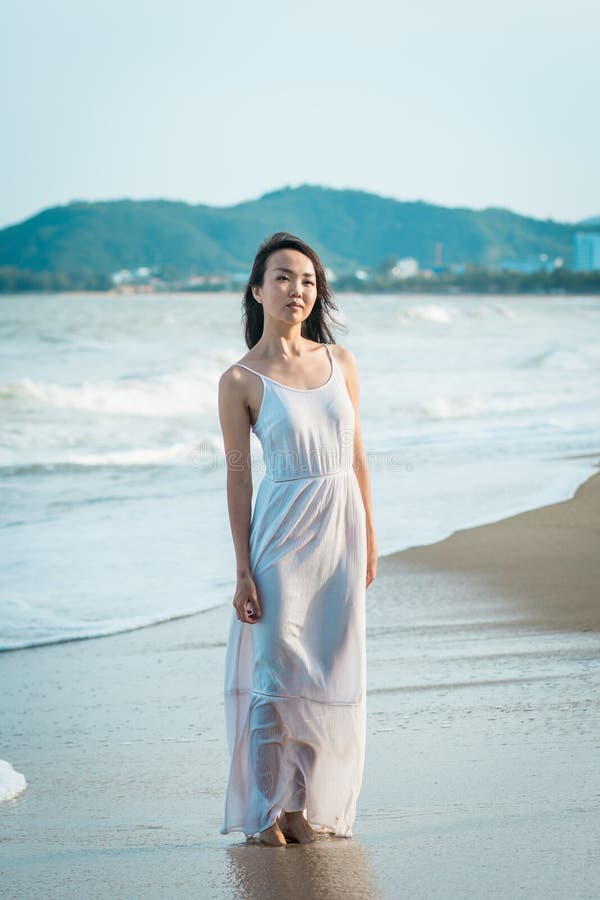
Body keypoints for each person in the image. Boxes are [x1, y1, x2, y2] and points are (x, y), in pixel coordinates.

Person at [218, 232, 377, 846]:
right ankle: (267, 811)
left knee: (327, 669)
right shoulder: (239, 379)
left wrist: (370, 533)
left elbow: (358, 455)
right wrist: (241, 569)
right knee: (277, 671)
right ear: (257, 290)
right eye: (283, 277)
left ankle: (301, 807)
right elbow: (238, 480)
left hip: (341, 532)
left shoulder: (342, 362)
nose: (297, 289)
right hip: (280, 536)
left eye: (308, 280)